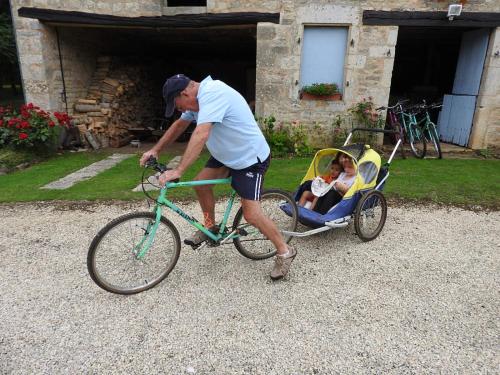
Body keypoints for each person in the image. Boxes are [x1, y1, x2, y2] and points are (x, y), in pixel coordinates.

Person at [139, 74, 296, 280]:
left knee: (251, 215)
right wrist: (156, 150)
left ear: (185, 93)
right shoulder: (195, 102)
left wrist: (178, 170)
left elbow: (201, 134)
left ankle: (285, 251)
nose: (180, 110)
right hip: (226, 156)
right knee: (200, 184)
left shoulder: (213, 94)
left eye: (177, 104)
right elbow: (180, 125)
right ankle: (209, 225)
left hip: (249, 159)